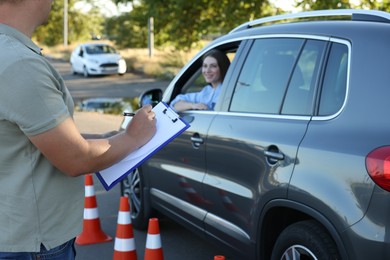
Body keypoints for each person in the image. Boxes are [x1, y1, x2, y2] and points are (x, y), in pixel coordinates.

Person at [0, 0, 156, 259]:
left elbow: (28, 141)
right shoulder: (18, 63)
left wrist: (108, 139)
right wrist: (132, 136)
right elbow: (75, 159)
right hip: (32, 244)